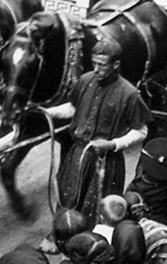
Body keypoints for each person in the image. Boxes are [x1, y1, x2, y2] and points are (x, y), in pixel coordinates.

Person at [43, 36, 151, 220]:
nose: (96, 69)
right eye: (94, 63)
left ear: (116, 64)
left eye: (102, 65)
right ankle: (60, 236)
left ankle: (90, 244)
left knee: (97, 210)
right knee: (68, 199)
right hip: (78, 154)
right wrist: (47, 112)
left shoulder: (129, 93)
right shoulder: (85, 80)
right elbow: (73, 108)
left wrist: (112, 144)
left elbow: (141, 131)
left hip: (107, 162)